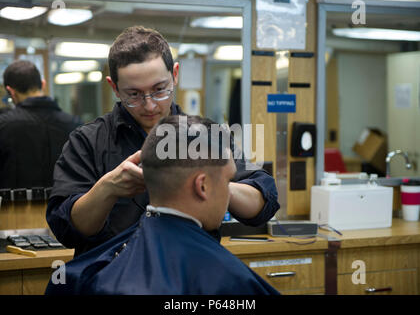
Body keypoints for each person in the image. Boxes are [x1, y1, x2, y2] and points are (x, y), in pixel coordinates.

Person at [47, 25, 280, 256]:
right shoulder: (87, 141)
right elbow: (66, 230)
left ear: (175, 75)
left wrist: (215, 184)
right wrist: (109, 188)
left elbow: (264, 204)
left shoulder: (206, 135)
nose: (149, 105)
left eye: (159, 89)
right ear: (114, 88)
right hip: (112, 279)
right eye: (134, 94)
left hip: (190, 276)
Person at [45, 115, 280, 295]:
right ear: (202, 186)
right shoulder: (230, 281)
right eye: (228, 181)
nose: (148, 104)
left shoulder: (77, 276)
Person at [0, 60, 83, 189]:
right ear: (43, 84)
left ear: (11, 92)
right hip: (66, 207)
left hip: (14, 208)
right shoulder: (75, 124)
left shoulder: (4, 125)